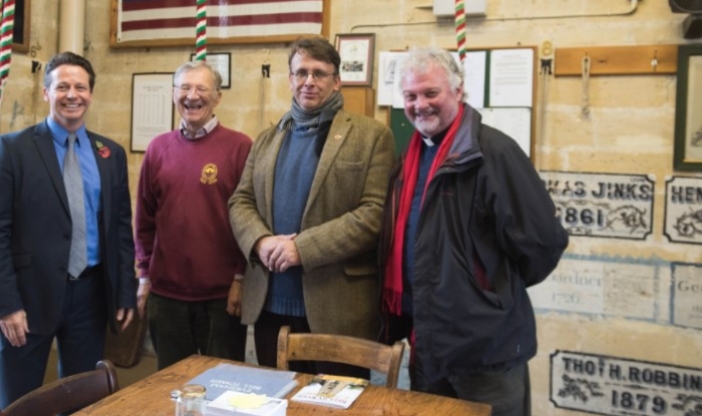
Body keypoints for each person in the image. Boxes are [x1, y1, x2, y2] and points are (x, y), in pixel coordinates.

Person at [380, 47, 568, 416]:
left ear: (457, 91)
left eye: (431, 93)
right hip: (429, 343)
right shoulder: (410, 156)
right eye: (410, 96)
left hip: (486, 351)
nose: (421, 105)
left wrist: (488, 290)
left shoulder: (494, 152)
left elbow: (543, 243)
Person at [229, 37, 395, 376]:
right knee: (277, 404)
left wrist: (301, 249)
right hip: (270, 308)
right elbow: (240, 200)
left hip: (337, 311)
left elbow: (373, 214)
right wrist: (261, 242)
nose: (309, 81)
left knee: (336, 408)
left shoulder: (372, 136)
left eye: (319, 73)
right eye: (301, 72)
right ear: (290, 79)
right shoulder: (266, 138)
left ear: (336, 81)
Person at [0, 51, 136, 409]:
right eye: (62, 86)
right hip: (27, 299)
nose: (72, 94)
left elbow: (120, 229)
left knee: (82, 399)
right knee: (20, 403)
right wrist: (6, 305)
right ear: (46, 92)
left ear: (91, 94)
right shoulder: (12, 149)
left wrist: (125, 291)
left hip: (90, 296)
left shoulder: (110, 153)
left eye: (80, 86)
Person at [134, 61, 252, 370]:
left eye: (201, 88)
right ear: (173, 94)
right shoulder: (158, 148)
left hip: (221, 296)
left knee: (224, 383)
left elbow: (250, 219)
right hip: (166, 296)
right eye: (184, 87)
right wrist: (144, 276)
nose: (192, 96)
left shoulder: (240, 147)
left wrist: (241, 278)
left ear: (217, 97)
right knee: (170, 384)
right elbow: (144, 220)